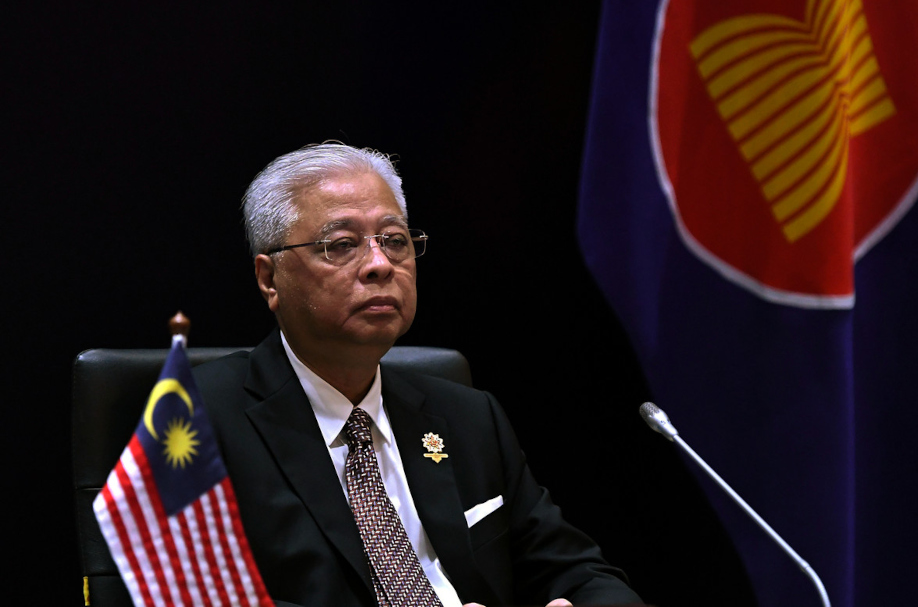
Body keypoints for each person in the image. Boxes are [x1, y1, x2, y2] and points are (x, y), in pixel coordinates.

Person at [194, 142, 642, 607]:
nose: (380, 265)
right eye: (342, 245)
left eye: (394, 240)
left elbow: (581, 572)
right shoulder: (201, 417)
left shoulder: (467, 417)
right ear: (270, 278)